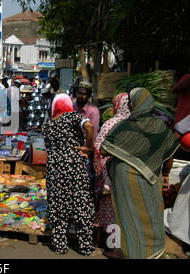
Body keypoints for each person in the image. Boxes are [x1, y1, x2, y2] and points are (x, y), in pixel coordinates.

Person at [100, 88, 180, 259]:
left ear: (135, 104)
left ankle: (132, 253)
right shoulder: (160, 126)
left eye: (131, 101)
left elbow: (104, 150)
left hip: (125, 181)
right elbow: (170, 152)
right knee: (151, 215)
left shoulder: (124, 126)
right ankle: (153, 252)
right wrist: (165, 173)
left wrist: (127, 152)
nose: (129, 104)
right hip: (150, 180)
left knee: (128, 217)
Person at [42, 93, 99, 256]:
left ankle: (59, 245)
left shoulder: (48, 124)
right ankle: (86, 247)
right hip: (74, 165)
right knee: (81, 203)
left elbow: (48, 147)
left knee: (58, 205)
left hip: (54, 167)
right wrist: (88, 146)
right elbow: (89, 126)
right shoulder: (73, 117)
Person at [92, 93, 130, 257]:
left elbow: (98, 149)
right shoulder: (134, 124)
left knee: (108, 209)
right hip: (129, 175)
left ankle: (109, 246)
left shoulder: (110, 124)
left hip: (109, 173)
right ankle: (119, 246)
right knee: (122, 209)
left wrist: (99, 171)